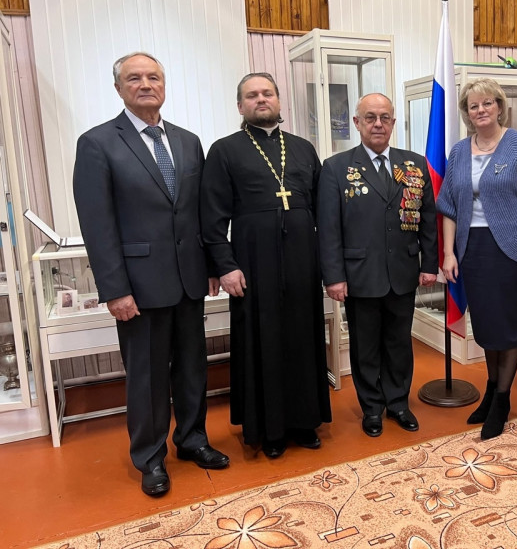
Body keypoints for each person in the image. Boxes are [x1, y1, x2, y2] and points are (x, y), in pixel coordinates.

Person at [73, 52, 229, 497]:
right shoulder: (98, 143)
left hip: (189, 280)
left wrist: (211, 266)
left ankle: (192, 440)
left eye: (153, 77)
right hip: (139, 288)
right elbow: (97, 225)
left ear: (164, 84)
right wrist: (115, 289)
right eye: (134, 78)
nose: (145, 84)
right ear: (118, 88)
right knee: (147, 376)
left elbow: (200, 212)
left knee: (193, 369)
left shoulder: (187, 141)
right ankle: (150, 457)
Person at [200, 73, 332, 458]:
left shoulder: (303, 148)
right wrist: (225, 265)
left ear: (278, 100)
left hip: (302, 260)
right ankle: (269, 430)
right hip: (252, 263)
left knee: (303, 337)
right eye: (252, 95)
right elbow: (211, 218)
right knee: (263, 341)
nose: (261, 99)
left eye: (267, 93)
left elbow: (324, 212)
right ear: (240, 105)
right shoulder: (224, 150)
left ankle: (305, 422)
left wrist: (327, 264)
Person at [436, 78, 517, 440]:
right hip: (471, 250)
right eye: (473, 106)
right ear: (467, 112)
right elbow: (448, 207)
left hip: (511, 250)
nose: (481, 110)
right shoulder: (459, 151)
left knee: (508, 327)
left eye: (487, 103)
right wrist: (448, 252)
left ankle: (502, 399)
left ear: (500, 106)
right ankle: (492, 389)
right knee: (487, 326)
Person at [317, 93, 438, 437]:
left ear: (393, 123)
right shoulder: (336, 168)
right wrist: (334, 276)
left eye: (385, 117)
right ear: (357, 123)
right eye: (370, 118)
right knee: (365, 346)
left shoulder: (414, 165)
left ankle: (398, 403)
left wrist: (429, 264)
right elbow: (328, 228)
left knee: (399, 343)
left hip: (403, 272)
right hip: (359, 275)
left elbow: (428, 219)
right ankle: (371, 407)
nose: (378, 124)